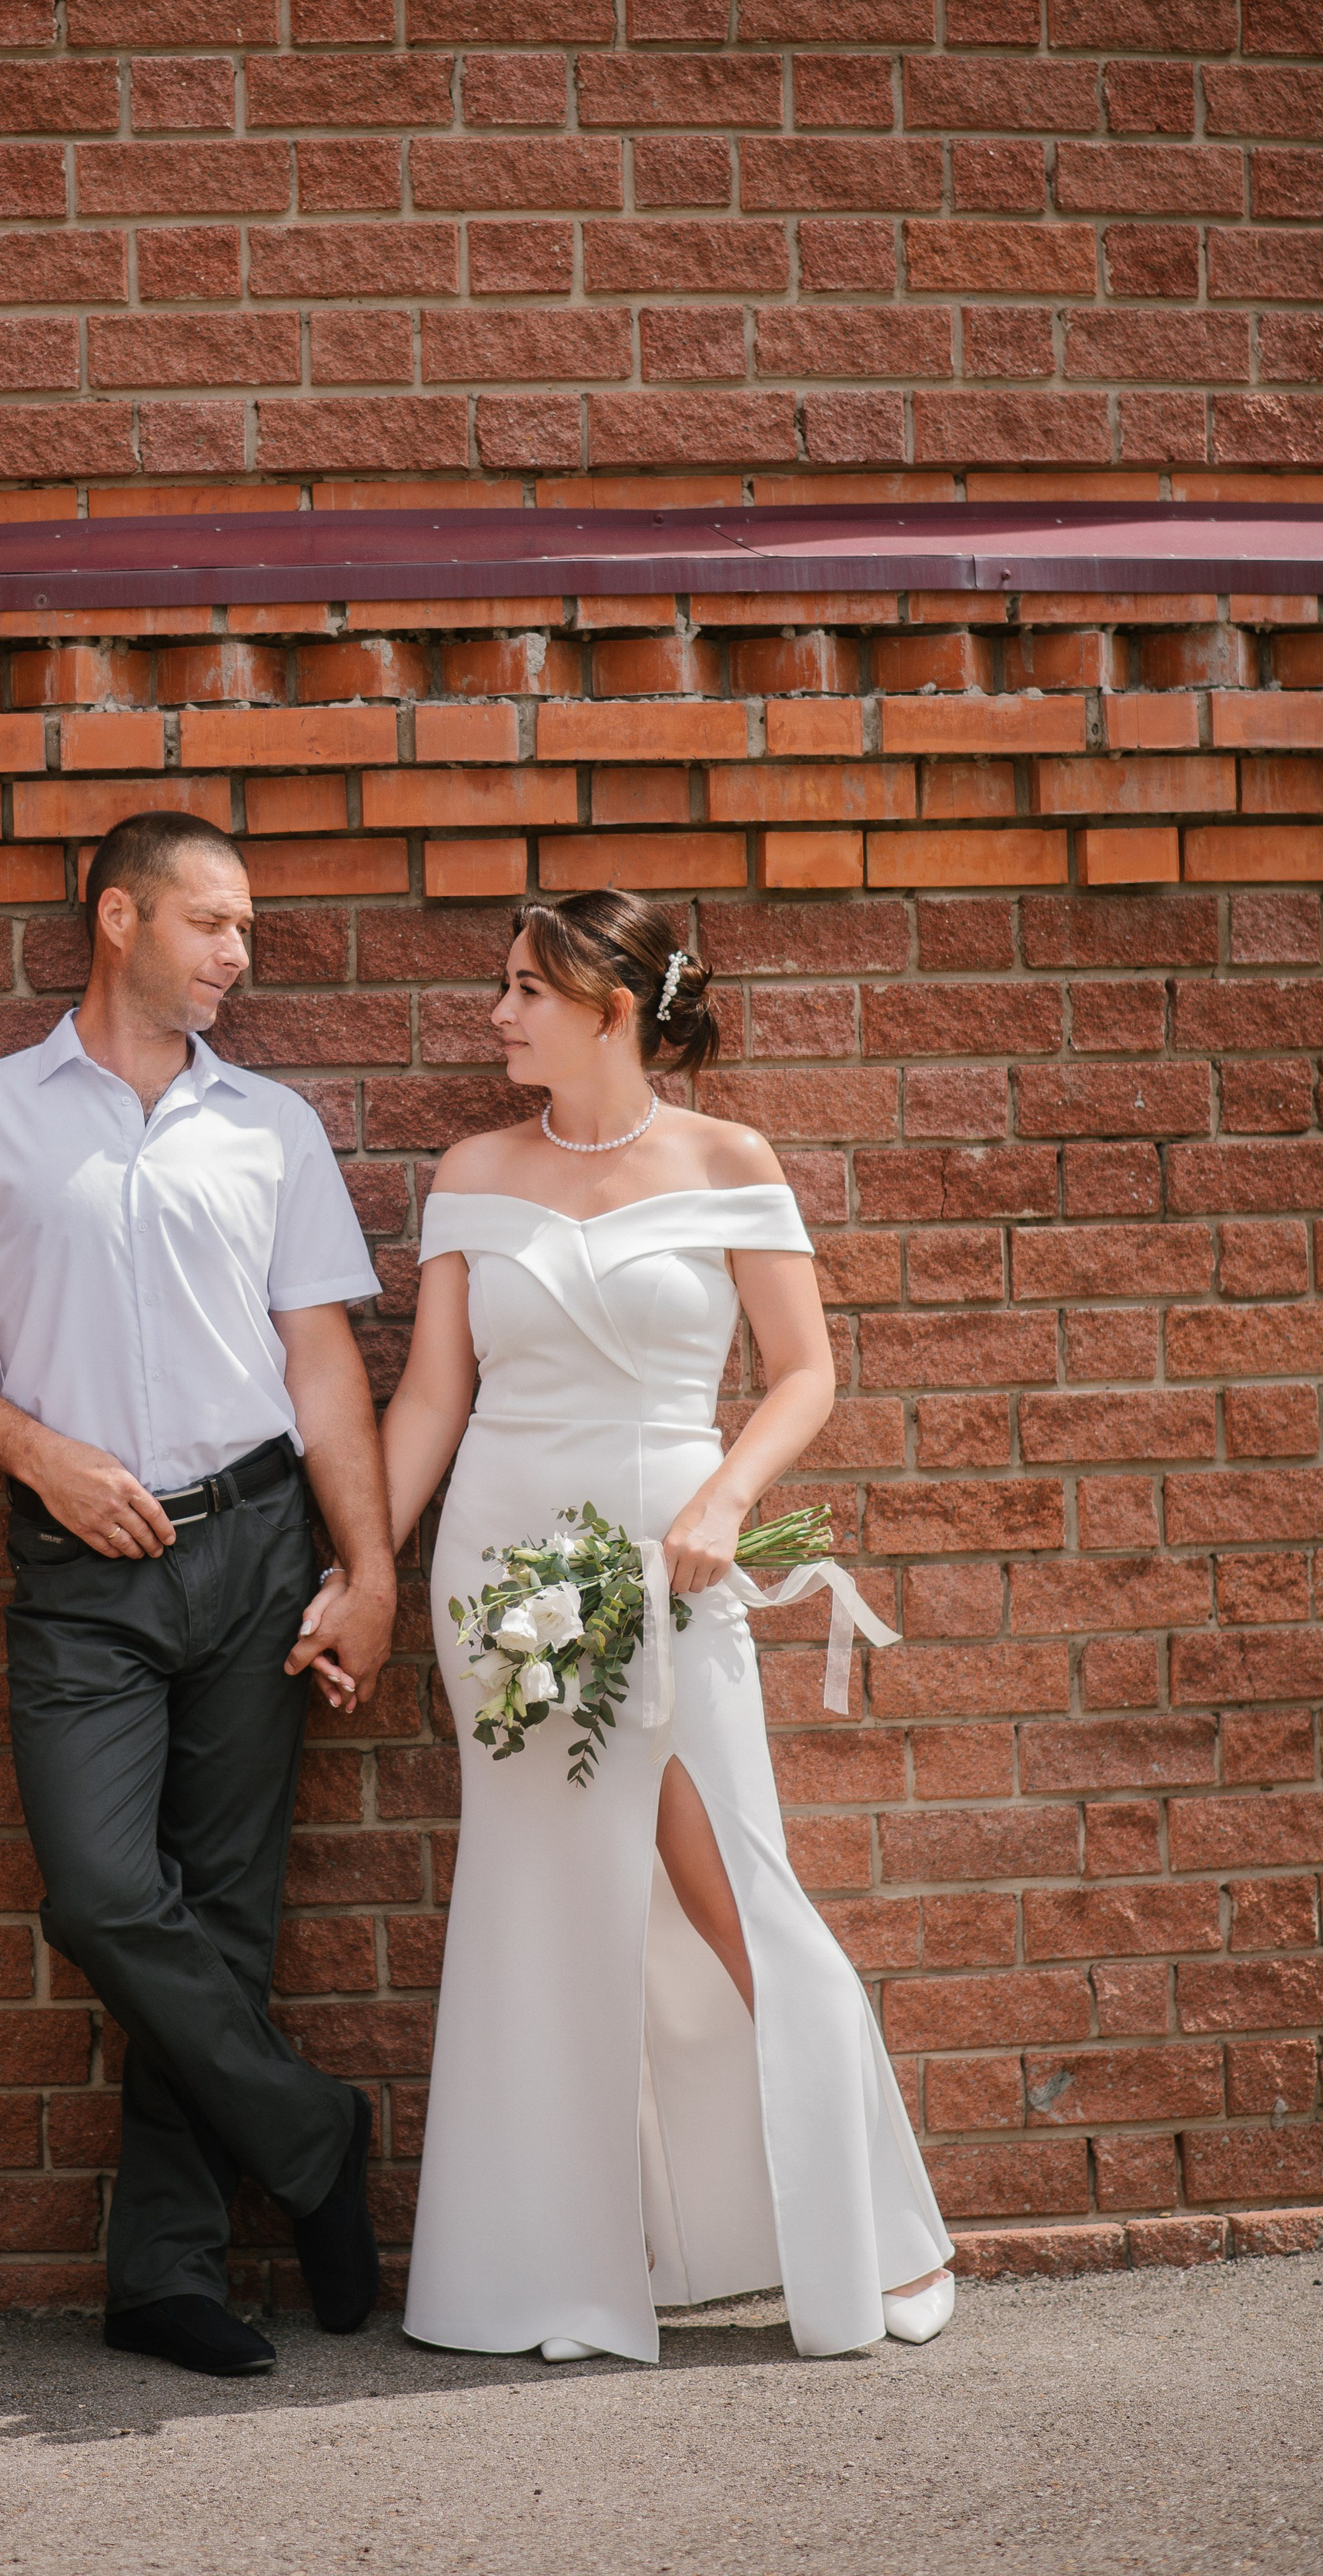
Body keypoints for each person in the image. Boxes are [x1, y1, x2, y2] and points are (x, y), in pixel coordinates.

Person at [366, 890, 954, 2364]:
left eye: (523, 990)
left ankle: (873, 2240)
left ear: (610, 1007)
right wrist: (365, 1562)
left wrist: (725, 1500)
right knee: (538, 1900)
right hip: (499, 1570)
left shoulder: (726, 1161)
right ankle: (547, 2275)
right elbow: (433, 1397)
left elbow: (804, 1374)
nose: (497, 1015)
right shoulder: (473, 1169)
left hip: (672, 1559)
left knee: (738, 1885)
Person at [0, 810, 398, 2380]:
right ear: (117, 919)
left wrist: (363, 1570)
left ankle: (161, 2272)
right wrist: (43, 1457)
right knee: (102, 1893)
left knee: (221, 1917)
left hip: (253, 1546)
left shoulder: (271, 1128)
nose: (239, 954)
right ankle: (310, 2134)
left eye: (245, 929)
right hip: (78, 1566)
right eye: (213, 923)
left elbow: (320, 1362)